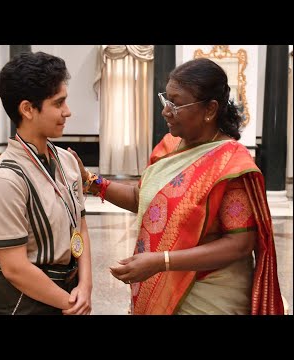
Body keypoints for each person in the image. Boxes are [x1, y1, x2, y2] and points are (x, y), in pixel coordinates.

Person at [69, 57, 284, 315]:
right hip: (166, 286)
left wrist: (163, 261)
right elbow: (141, 198)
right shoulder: (170, 147)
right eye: (165, 99)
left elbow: (239, 244)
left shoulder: (230, 164)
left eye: (176, 103)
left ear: (210, 109)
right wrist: (91, 182)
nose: (165, 111)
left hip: (210, 299)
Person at [0, 51, 92, 315]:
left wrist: (85, 287)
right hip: (24, 302)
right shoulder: (5, 179)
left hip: (70, 291)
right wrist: (72, 304)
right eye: (58, 103)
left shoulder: (66, 161)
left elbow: (82, 228)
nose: (68, 111)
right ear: (27, 109)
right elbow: (15, 268)